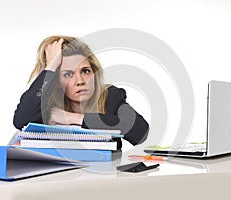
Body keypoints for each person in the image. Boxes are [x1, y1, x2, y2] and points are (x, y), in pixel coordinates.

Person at [13, 35, 149, 149]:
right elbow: (21, 120)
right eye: (68, 74)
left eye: (85, 71)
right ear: (56, 82)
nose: (80, 81)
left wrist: (73, 118)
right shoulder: (46, 105)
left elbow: (140, 133)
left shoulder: (110, 96)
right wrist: (51, 67)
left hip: (104, 176)